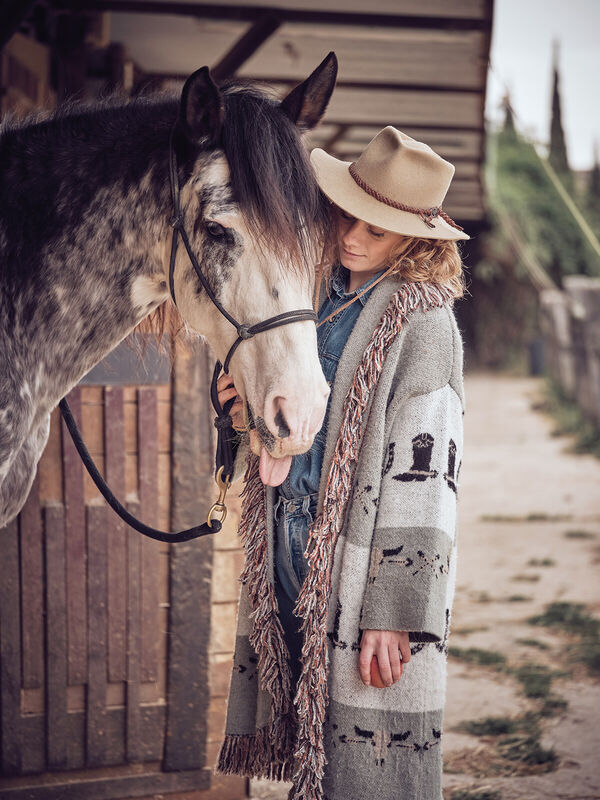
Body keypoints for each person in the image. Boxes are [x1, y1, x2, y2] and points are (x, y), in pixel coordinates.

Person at [216, 126, 469, 800]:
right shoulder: (309, 295)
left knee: (357, 753)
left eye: (377, 231)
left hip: (357, 564)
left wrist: (393, 608)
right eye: (345, 216)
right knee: (305, 723)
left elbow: (427, 481)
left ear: (415, 241)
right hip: (287, 545)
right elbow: (288, 422)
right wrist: (243, 412)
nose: (353, 237)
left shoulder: (425, 326)